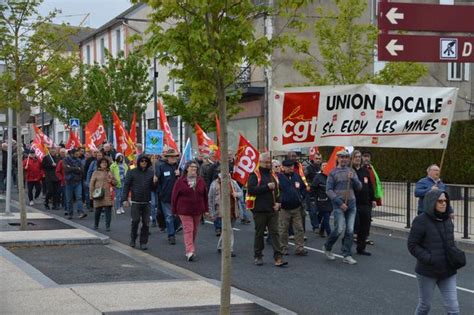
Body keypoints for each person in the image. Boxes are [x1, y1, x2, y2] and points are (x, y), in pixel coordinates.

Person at [407, 190, 460, 314]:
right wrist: (430, 258)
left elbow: (449, 242)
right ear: (432, 202)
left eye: (445, 201)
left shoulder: (447, 220)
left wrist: (455, 253)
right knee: (425, 306)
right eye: (440, 201)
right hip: (427, 271)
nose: (444, 204)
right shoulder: (421, 220)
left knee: (454, 308)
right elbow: (412, 245)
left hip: (448, 271)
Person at [247, 152, 287, 267]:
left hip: (272, 209)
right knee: (259, 234)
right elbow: (251, 190)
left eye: (270, 162)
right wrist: (266, 187)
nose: (269, 164)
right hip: (259, 210)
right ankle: (258, 255)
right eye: (267, 162)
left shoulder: (273, 175)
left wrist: (279, 203)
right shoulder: (254, 175)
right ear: (261, 162)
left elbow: (278, 191)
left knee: (275, 233)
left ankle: (278, 257)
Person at [323, 149, 362, 265]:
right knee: (339, 229)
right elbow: (328, 190)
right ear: (338, 158)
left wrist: (353, 179)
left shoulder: (352, 171)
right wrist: (340, 203)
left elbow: (359, 187)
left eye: (346, 157)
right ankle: (327, 246)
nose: (344, 159)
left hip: (352, 204)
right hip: (339, 205)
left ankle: (347, 254)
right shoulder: (333, 173)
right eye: (342, 157)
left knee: (350, 230)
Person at [172, 161, 208, 261]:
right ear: (187, 168)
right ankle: (190, 251)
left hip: (197, 209)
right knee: (188, 229)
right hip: (184, 210)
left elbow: (204, 195)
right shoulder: (180, 181)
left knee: (194, 230)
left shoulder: (200, 181)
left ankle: (190, 247)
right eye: (192, 167)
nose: (194, 169)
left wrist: (206, 209)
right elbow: (174, 196)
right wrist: (174, 210)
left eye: (195, 167)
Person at [122, 155, 157, 250]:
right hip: (136, 201)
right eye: (142, 161)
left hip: (147, 201)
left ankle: (143, 242)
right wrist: (124, 199)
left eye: (145, 161)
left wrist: (155, 182)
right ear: (138, 162)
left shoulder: (151, 173)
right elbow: (126, 185)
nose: (144, 162)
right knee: (135, 221)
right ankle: (133, 239)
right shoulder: (132, 172)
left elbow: (154, 189)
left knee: (146, 223)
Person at [208, 166, 242, 257]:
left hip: (233, 210)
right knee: (229, 230)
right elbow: (210, 198)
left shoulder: (233, 183)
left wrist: (236, 194)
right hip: (221, 211)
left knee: (226, 230)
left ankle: (220, 246)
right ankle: (229, 249)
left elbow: (241, 193)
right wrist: (211, 212)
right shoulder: (214, 184)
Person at [278, 159, 308, 256]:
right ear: (283, 167)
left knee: (299, 229)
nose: (290, 168)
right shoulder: (279, 177)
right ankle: (283, 248)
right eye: (288, 166)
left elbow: (304, 187)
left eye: (291, 166)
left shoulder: (297, 176)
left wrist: (302, 196)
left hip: (296, 207)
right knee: (283, 229)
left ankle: (299, 248)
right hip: (284, 208)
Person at [352, 150, 375, 256]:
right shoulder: (349, 171)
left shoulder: (364, 171)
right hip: (354, 203)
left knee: (365, 226)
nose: (358, 158)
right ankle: (346, 246)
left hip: (365, 203)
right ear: (352, 158)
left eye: (359, 156)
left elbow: (370, 185)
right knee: (355, 225)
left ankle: (361, 248)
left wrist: (373, 198)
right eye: (355, 156)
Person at [156, 148, 181, 245]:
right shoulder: (162, 167)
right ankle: (171, 235)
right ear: (167, 158)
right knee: (169, 216)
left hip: (178, 197)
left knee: (177, 216)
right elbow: (157, 182)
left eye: (174, 156)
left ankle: (173, 229)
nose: (173, 158)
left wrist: (180, 175)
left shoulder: (179, 167)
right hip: (166, 196)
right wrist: (159, 192)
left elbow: (184, 180)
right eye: (171, 156)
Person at [89, 158, 116, 231]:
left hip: (108, 194)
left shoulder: (109, 172)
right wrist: (91, 195)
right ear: (99, 164)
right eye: (102, 162)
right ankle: (96, 225)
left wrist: (112, 180)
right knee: (98, 210)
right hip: (98, 194)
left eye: (105, 163)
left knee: (108, 211)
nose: (104, 164)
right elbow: (91, 184)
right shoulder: (96, 172)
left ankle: (108, 226)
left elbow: (115, 183)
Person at [63, 149, 87, 219]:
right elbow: (66, 169)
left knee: (79, 197)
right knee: (69, 199)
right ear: (72, 154)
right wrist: (77, 168)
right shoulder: (65, 160)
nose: (77, 155)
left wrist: (72, 168)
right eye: (76, 154)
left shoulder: (79, 160)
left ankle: (80, 212)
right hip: (69, 182)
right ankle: (70, 213)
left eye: (78, 154)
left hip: (77, 181)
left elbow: (82, 170)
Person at [311, 162, 332, 238]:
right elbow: (313, 188)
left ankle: (321, 230)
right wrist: (312, 199)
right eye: (323, 165)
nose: (325, 167)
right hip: (321, 200)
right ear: (321, 167)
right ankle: (330, 233)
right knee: (326, 216)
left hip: (330, 199)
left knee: (326, 215)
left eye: (326, 165)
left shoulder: (331, 176)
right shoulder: (318, 177)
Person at [305, 152, 322, 233]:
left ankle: (317, 222)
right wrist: (308, 185)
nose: (318, 160)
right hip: (311, 192)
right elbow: (303, 178)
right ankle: (315, 226)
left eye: (319, 159)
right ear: (313, 159)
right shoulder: (308, 168)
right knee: (313, 210)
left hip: (321, 192)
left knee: (322, 210)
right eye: (316, 159)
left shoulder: (322, 168)